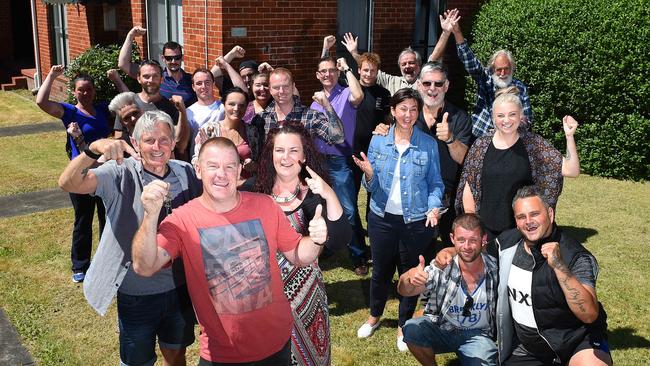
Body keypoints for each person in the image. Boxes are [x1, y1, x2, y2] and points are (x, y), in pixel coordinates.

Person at [132, 137, 330, 365]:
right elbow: (144, 266)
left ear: (239, 171)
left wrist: (316, 239)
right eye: (213, 166)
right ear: (198, 169)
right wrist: (150, 215)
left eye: (229, 166)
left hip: (277, 345)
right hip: (221, 353)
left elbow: (297, 253)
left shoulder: (265, 205)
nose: (221, 174)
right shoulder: (182, 220)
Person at [58, 110, 201, 366]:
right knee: (137, 361)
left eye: (164, 139)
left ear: (174, 142)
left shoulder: (186, 172)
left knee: (176, 355)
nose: (157, 147)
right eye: (149, 140)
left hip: (178, 289)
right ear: (135, 143)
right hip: (136, 294)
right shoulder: (119, 173)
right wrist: (92, 150)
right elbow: (69, 183)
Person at [352, 88, 445, 351]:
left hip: (415, 221)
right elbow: (370, 188)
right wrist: (369, 174)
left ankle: (404, 325)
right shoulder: (378, 140)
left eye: (413, 109)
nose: (408, 114)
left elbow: (435, 183)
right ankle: (374, 316)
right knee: (380, 271)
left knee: (409, 274)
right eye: (402, 108)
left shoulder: (427, 144)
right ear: (393, 111)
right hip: (381, 218)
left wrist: (433, 208)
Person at [255, 121, 352, 365]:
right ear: (271, 154)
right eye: (279, 150)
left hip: (307, 297)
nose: (286, 157)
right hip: (265, 297)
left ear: (304, 154)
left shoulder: (316, 196)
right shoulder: (253, 193)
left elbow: (341, 240)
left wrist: (329, 193)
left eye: (293, 150)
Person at [455, 87, 563, 241]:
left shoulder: (533, 144)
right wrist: (473, 223)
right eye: (501, 115)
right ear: (493, 117)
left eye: (512, 114)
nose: (506, 120)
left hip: (522, 229)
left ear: (521, 116)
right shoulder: (481, 145)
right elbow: (468, 184)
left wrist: (570, 136)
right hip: (487, 230)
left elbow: (568, 169)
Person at [36, 65, 110, 283]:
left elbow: (128, 102)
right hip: (81, 175)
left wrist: (116, 78)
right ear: (74, 92)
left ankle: (106, 261)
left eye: (88, 90)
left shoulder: (104, 109)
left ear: (94, 91)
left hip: (105, 174)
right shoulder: (69, 112)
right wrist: (51, 75)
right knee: (83, 220)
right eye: (80, 90)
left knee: (107, 219)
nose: (85, 94)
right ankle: (80, 265)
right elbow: (41, 102)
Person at [398, 213, 498, 366]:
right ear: (452, 239)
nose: (466, 246)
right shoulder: (443, 267)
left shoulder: (495, 269)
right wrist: (409, 277)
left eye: (473, 240)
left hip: (478, 335)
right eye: (461, 240)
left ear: (483, 240)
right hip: (443, 327)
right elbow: (404, 290)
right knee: (411, 329)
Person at [310, 51, 368, 275]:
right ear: (317, 74)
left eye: (331, 71)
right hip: (320, 161)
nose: (327, 74)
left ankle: (358, 255)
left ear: (337, 73)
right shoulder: (314, 101)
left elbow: (359, 94)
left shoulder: (345, 94)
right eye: (323, 71)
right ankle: (331, 246)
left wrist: (347, 69)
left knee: (349, 210)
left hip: (340, 161)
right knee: (323, 207)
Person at [445, 9, 533, 137]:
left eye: (506, 69)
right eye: (499, 69)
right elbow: (468, 59)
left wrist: (512, 127)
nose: (503, 73)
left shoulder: (520, 88)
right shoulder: (486, 80)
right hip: (482, 137)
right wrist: (457, 32)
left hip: (511, 139)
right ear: (492, 69)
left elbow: (527, 118)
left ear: (512, 68)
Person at [113, 59, 191, 161]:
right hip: (133, 164)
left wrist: (182, 111)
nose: (151, 80)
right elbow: (118, 140)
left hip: (162, 165)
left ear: (161, 79)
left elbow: (181, 145)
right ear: (138, 78)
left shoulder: (171, 107)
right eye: (146, 76)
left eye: (155, 76)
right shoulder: (128, 104)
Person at [193, 87, 263, 190]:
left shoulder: (252, 132)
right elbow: (196, 161)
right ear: (223, 105)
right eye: (232, 104)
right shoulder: (209, 130)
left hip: (245, 189)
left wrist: (254, 166)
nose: (236, 109)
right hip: (217, 189)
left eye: (241, 105)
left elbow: (260, 164)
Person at [259, 67, 345, 145]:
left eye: (285, 86)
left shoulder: (311, 116)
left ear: (293, 86)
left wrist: (328, 106)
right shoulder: (261, 118)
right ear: (270, 89)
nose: (281, 91)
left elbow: (338, 139)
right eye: (276, 87)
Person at [118, 26, 197, 106]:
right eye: (169, 58)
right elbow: (123, 64)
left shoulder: (191, 79)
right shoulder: (156, 76)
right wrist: (131, 36)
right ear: (163, 58)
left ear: (182, 58)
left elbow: (209, 78)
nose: (173, 61)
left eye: (177, 58)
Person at [343, 33, 421, 95]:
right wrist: (354, 52)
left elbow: (431, 62)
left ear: (418, 65)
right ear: (399, 67)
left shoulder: (426, 82)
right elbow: (368, 67)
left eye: (411, 63)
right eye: (403, 64)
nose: (407, 66)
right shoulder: (392, 81)